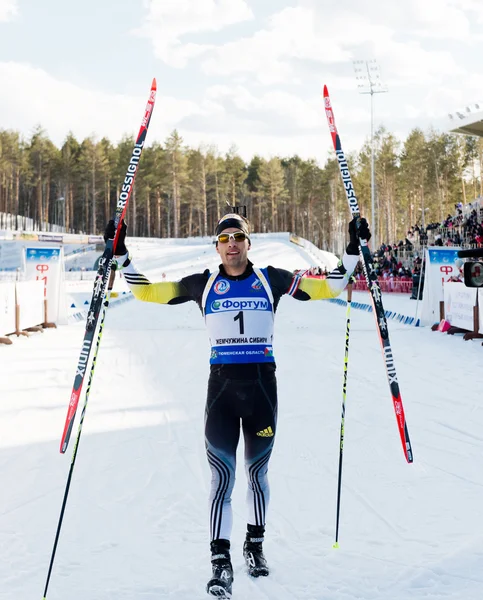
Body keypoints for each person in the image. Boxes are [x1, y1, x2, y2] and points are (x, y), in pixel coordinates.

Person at [104, 212, 370, 598]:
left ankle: (255, 545)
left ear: (249, 243)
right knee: (221, 480)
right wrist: (122, 255)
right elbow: (146, 292)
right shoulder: (203, 284)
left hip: (262, 390)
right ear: (217, 246)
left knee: (257, 475)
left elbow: (330, 287)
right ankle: (220, 562)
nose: (232, 243)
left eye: (238, 237)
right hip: (222, 394)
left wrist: (351, 250)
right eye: (225, 237)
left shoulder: (272, 279)